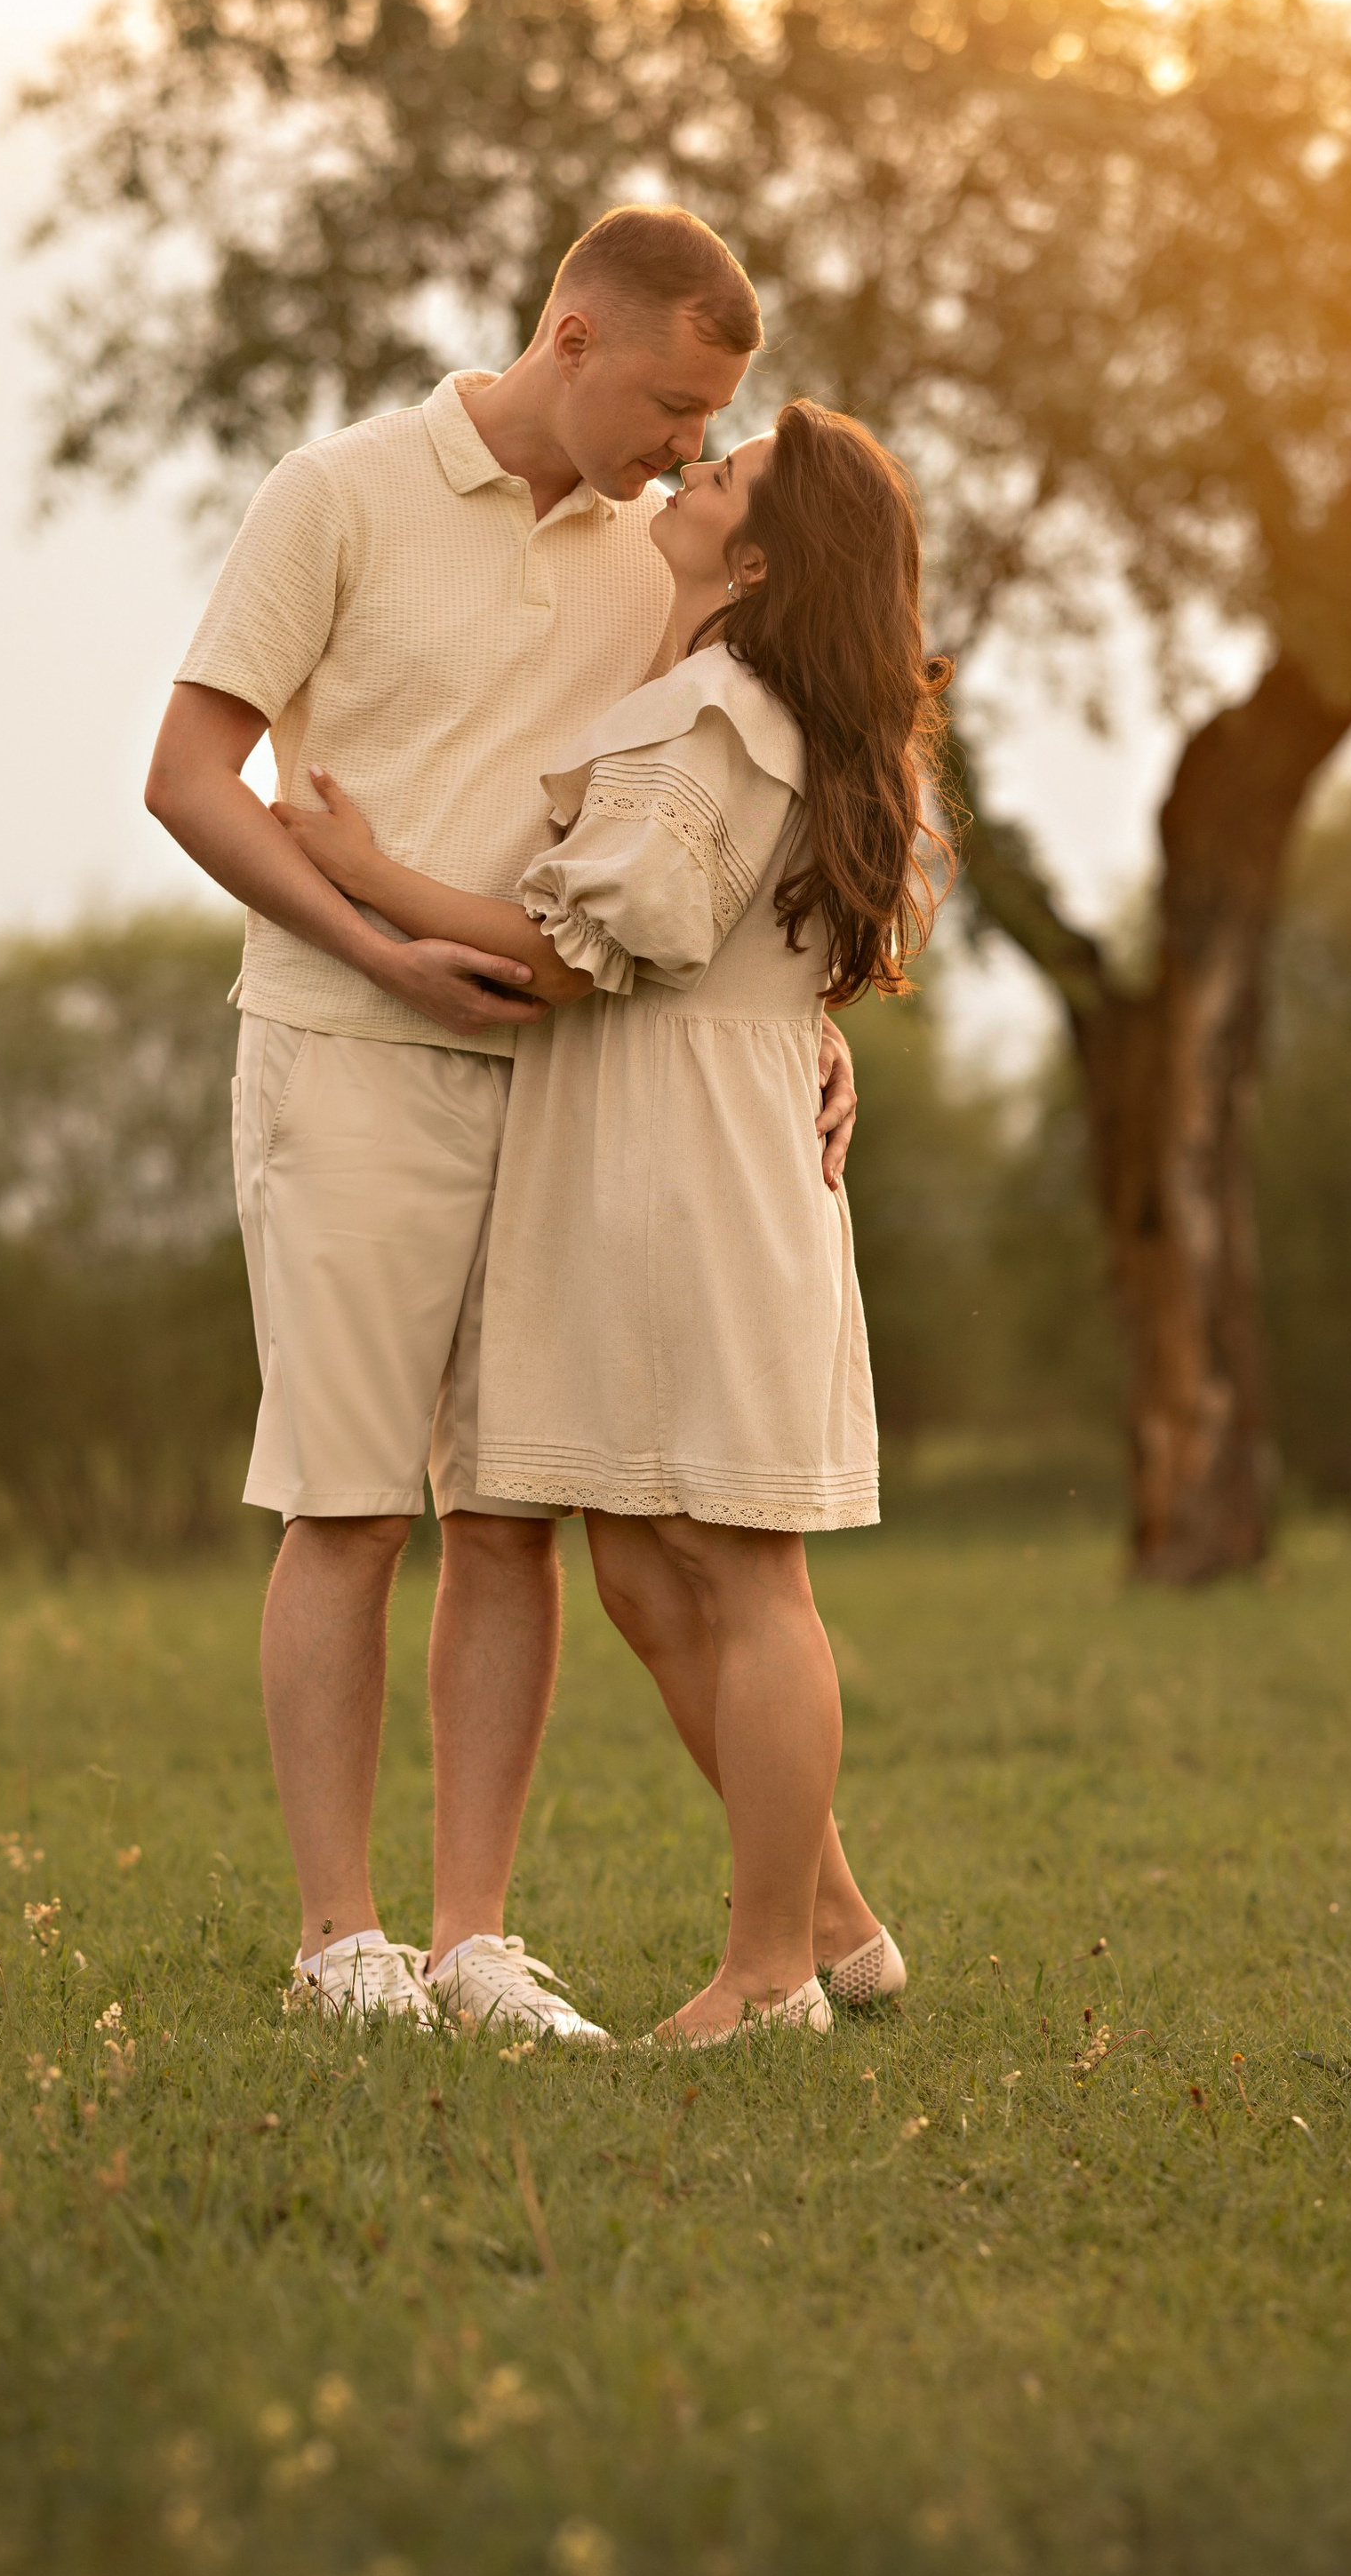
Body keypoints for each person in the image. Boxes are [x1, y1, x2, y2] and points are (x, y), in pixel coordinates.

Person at [143, 207, 859, 2041]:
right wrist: (375, 942)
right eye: (672, 398)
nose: (690, 443)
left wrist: (811, 1021)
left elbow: (728, 810)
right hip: (350, 1053)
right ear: (569, 332)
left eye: (716, 416)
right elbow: (185, 774)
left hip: (562, 1087)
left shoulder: (664, 548)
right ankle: (338, 1944)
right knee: (350, 1498)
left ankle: (469, 1940)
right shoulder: (342, 492)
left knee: (508, 1514)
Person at [276, 399, 951, 2044]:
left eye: (722, 478)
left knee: (741, 1568)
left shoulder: (718, 714)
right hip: (673, 1141)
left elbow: (574, 954)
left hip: (684, 1168)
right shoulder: (749, 702)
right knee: (648, 1565)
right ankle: (838, 1923)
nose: (688, 470)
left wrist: (373, 876)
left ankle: (767, 1969)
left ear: (765, 558)